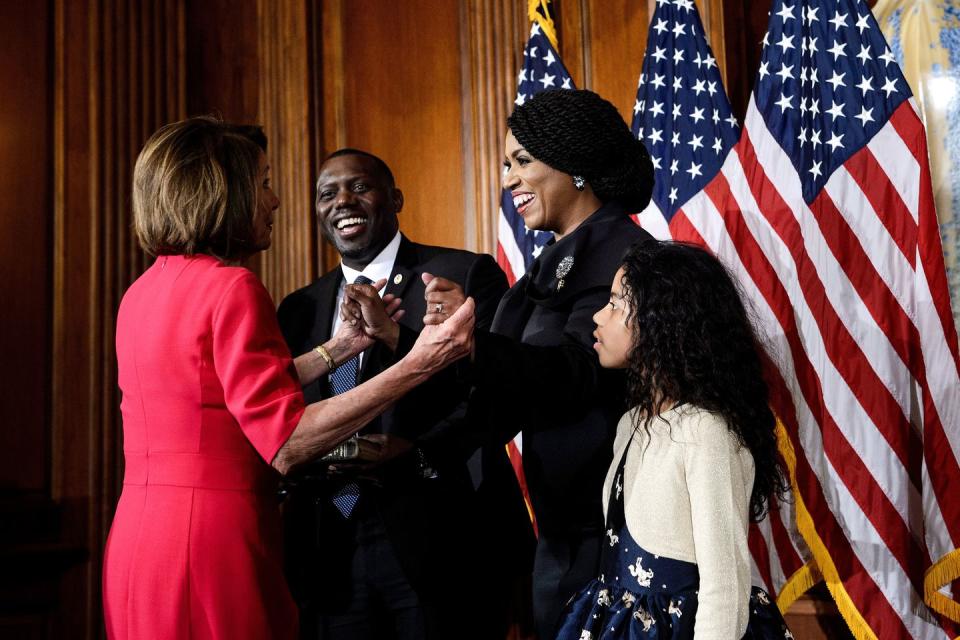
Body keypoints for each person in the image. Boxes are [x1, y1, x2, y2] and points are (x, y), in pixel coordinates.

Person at [102, 117, 475, 640]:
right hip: (211, 542)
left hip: (140, 542)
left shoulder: (139, 292)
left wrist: (339, 348)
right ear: (226, 192)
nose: (274, 200)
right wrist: (421, 362)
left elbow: (216, 391)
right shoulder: (232, 286)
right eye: (263, 183)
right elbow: (287, 442)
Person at [422, 89, 655, 638]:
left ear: (574, 166)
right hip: (560, 534)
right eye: (506, 164)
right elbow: (509, 385)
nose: (508, 179)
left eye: (522, 161)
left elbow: (576, 374)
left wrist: (471, 342)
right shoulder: (550, 266)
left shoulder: (624, 257)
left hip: (610, 536)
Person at [276, 148, 516, 640]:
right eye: (328, 193)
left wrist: (418, 451)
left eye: (359, 187)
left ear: (395, 198)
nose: (343, 200)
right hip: (329, 547)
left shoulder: (462, 275)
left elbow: (494, 399)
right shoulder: (298, 308)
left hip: (433, 537)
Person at [554, 240, 792, 639]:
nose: (598, 316)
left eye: (615, 304)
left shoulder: (705, 432)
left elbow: (724, 585)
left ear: (663, 320)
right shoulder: (632, 423)